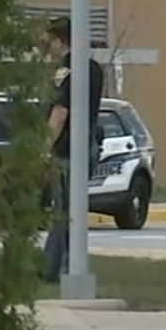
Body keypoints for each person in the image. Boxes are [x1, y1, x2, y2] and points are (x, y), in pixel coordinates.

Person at [42, 16, 104, 283]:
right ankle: (60, 265)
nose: (50, 47)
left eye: (51, 41)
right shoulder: (94, 68)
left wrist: (44, 146)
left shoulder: (66, 70)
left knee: (64, 211)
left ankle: (56, 269)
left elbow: (60, 111)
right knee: (73, 210)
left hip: (67, 146)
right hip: (87, 142)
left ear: (61, 40)